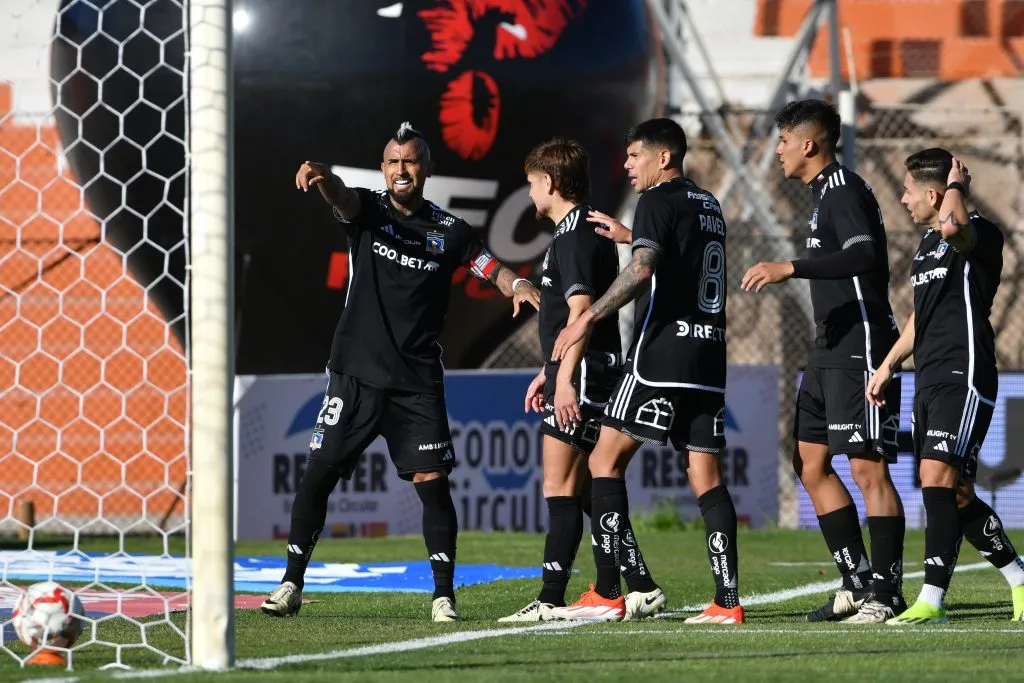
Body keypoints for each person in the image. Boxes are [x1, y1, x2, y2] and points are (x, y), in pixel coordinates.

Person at [260, 122, 540, 622]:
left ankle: (442, 596)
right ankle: (290, 584)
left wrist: (515, 283)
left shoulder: (450, 232)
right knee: (319, 474)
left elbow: (485, 265)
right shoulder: (368, 211)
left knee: (433, 484)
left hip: (416, 382)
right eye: (392, 161)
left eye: (410, 161)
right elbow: (343, 199)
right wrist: (323, 177)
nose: (400, 169)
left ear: (426, 169)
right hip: (356, 374)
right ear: (383, 168)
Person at [550, 118, 743, 625]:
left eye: (635, 155)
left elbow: (643, 269)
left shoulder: (656, 200)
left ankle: (609, 591)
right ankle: (727, 602)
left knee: (602, 463)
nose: (627, 165)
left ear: (663, 158)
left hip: (661, 359)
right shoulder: (708, 203)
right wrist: (632, 236)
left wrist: (588, 318)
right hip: (708, 361)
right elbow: (679, 254)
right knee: (705, 474)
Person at [741, 99, 906, 623]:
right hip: (828, 346)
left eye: (784, 141)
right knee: (809, 462)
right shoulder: (819, 197)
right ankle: (856, 582)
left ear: (809, 143)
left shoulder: (844, 190)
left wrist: (791, 267)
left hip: (861, 344)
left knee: (866, 466)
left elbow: (864, 255)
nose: (779, 152)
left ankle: (887, 593)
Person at [868, 149, 1024, 624]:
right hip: (929, 377)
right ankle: (1020, 579)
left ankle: (931, 600)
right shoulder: (925, 247)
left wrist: (958, 186)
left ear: (935, 193)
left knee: (935, 479)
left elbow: (955, 227)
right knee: (954, 493)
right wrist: (889, 363)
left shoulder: (979, 235)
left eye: (909, 189)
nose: (902, 198)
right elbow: (921, 316)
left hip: (965, 374)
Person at [499, 138, 649, 621]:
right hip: (581, 370)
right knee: (585, 491)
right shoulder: (577, 230)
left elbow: (582, 312)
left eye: (530, 184)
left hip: (583, 375)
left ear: (549, 182)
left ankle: (549, 598)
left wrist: (565, 380)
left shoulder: (575, 233)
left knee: (560, 487)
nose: (528, 194)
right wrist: (550, 371)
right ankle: (641, 584)